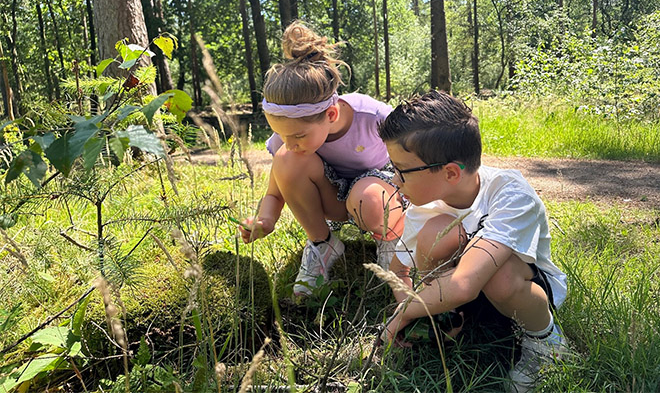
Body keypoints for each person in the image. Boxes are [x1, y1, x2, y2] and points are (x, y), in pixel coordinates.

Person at [377, 90, 568, 392]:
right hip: (462, 299)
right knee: (436, 230)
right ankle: (452, 322)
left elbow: (464, 284)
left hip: (517, 292)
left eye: (401, 170)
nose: (393, 179)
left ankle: (545, 342)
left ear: (451, 172)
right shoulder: (425, 204)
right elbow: (398, 269)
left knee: (499, 275)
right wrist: (412, 305)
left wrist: (403, 314)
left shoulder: (512, 196)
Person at [238, 21, 405, 297]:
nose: (289, 143)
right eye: (281, 134)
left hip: (381, 193)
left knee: (370, 200)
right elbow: (275, 192)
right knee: (286, 161)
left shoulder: (372, 116)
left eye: (298, 136)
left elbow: (414, 151)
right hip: (336, 197)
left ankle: (391, 239)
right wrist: (265, 220)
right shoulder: (289, 140)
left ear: (330, 115)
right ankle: (323, 244)